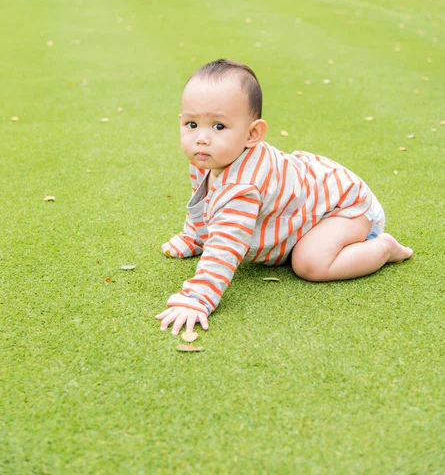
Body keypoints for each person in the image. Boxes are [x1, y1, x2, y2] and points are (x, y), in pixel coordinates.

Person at [156, 59, 413, 335]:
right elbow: (203, 197)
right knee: (298, 249)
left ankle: (382, 249)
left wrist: (198, 298)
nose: (201, 138)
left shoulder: (244, 185)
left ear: (252, 134)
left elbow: (227, 245)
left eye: (218, 126)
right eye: (192, 124)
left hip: (345, 207)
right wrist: (195, 236)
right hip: (308, 205)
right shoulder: (209, 157)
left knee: (309, 263)